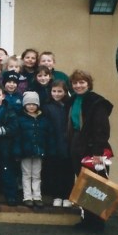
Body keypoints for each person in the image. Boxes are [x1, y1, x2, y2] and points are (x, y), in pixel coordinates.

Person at [68, 69, 114, 232]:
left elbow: (102, 129)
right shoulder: (73, 100)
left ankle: (97, 224)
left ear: (88, 84)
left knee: (96, 186)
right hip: (78, 146)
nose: (78, 85)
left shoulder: (97, 102)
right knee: (84, 184)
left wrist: (97, 153)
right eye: (75, 83)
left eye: (82, 82)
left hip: (93, 149)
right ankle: (87, 220)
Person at [14, 91, 54, 208]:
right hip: (25, 152)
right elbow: (17, 137)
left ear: (38, 105)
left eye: (34, 104)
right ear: (24, 105)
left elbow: (48, 136)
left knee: (37, 175)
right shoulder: (20, 119)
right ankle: (27, 197)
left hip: (39, 152)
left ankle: (37, 196)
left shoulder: (43, 120)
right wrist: (17, 151)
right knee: (26, 174)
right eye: (28, 104)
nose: (31, 106)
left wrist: (48, 149)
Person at [44, 80, 73, 208]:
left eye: (59, 91)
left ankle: (67, 196)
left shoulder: (69, 106)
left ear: (65, 92)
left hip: (68, 144)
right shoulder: (47, 106)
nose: (56, 94)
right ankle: (56, 196)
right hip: (53, 144)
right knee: (55, 172)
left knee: (68, 171)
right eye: (54, 91)